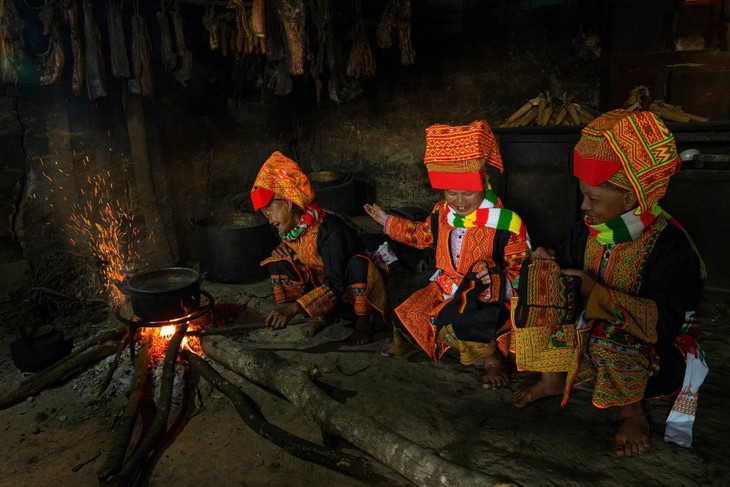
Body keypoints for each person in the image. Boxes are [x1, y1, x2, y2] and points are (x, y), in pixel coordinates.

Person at [511, 109, 707, 457]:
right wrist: (547, 264)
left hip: (655, 352)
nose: (584, 206)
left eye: (594, 199)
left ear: (631, 199)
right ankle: (552, 378)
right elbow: (566, 269)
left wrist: (595, 294)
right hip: (592, 333)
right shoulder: (589, 230)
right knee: (536, 287)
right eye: (583, 195)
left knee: (611, 337)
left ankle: (630, 411)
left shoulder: (670, 246)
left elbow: (664, 324)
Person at [364, 120, 531, 389]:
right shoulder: (442, 214)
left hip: (486, 298)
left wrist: (494, 279)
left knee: (462, 316)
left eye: (468, 193)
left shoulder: (505, 222)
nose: (460, 201)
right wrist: (388, 221)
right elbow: (421, 236)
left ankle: (492, 360)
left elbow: (520, 268)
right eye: (452, 193)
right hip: (445, 287)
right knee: (405, 313)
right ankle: (421, 340)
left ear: (484, 182)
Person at [250, 151, 388, 345]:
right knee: (279, 261)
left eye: (269, 211)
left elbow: (336, 283)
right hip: (323, 284)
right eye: (264, 214)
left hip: (347, 286)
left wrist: (292, 309)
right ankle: (320, 316)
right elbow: (303, 252)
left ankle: (364, 322)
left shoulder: (328, 230)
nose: (268, 219)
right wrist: (283, 249)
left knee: (359, 265)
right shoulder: (293, 231)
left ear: (289, 203)